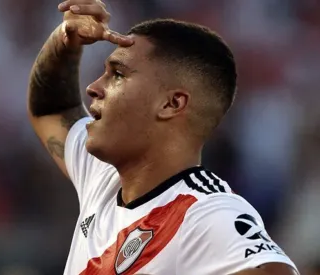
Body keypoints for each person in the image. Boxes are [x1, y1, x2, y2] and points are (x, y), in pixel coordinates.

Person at [27, 0, 299, 274]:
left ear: (172, 104)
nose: (93, 87)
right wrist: (65, 41)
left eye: (118, 74)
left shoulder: (205, 212)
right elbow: (51, 107)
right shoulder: (103, 178)